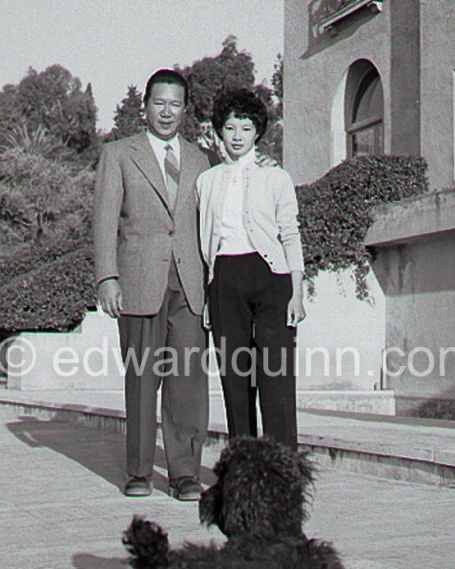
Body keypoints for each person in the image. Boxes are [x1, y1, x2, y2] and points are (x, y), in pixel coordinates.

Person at [93, 69, 209, 500]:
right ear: (145, 107)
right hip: (139, 281)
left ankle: (184, 475)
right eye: (158, 103)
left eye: (175, 104)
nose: (166, 112)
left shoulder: (200, 160)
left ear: (184, 109)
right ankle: (139, 471)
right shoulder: (120, 154)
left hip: (190, 284)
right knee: (143, 378)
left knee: (187, 382)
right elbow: (104, 220)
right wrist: (107, 277)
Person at [196, 89, 306, 449]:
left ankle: (283, 471)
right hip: (225, 280)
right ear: (219, 132)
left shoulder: (277, 178)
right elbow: (205, 243)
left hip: (272, 280)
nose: (238, 136)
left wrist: (297, 291)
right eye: (230, 127)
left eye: (245, 127)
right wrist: (209, 294)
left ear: (258, 131)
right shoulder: (206, 182)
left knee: (275, 379)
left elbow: (290, 236)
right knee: (235, 379)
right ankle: (243, 468)